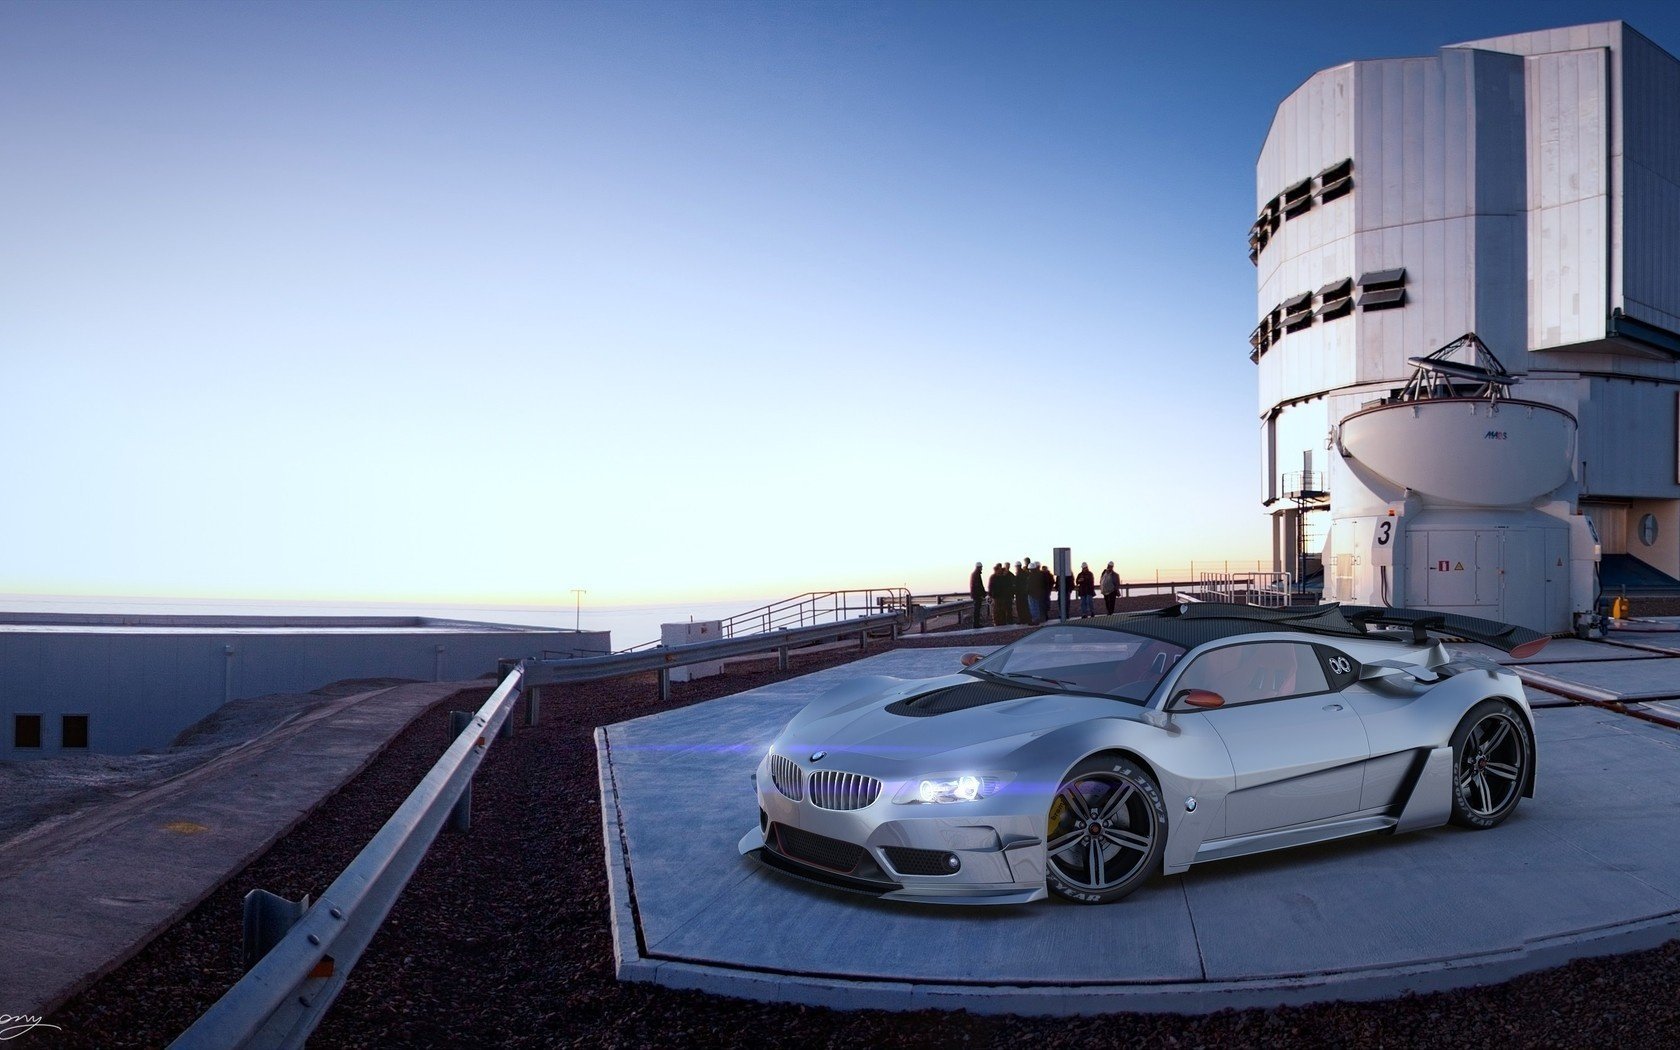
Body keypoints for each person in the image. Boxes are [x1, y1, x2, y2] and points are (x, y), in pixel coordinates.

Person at [969, 562, 986, 627]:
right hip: (977, 595)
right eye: (981, 567)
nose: (981, 569)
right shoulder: (977, 574)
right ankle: (976, 623)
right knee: (977, 609)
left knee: (977, 609)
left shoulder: (974, 574)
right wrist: (983, 593)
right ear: (979, 567)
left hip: (975, 594)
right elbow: (979, 585)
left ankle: (976, 623)